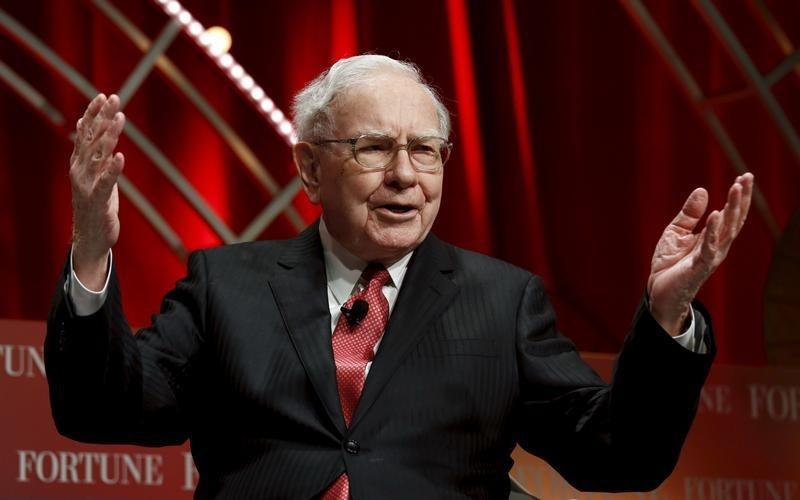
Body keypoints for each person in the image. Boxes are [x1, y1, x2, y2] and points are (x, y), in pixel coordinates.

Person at [46, 54, 753, 499]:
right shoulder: (224, 285)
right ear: (310, 167)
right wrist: (89, 251)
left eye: (425, 150)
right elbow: (102, 410)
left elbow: (618, 458)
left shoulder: (502, 301)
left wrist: (667, 317)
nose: (405, 177)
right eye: (374, 147)